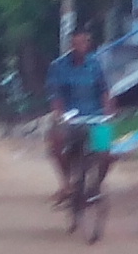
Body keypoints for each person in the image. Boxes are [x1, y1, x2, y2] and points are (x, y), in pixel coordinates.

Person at [44, 28, 108, 204]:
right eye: (77, 43)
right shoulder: (58, 66)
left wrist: (108, 111)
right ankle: (66, 184)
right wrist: (59, 114)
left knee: (107, 152)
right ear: (71, 45)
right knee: (56, 142)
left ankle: (96, 187)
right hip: (70, 118)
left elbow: (104, 90)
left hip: (95, 117)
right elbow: (55, 95)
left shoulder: (95, 64)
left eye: (85, 42)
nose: (82, 46)